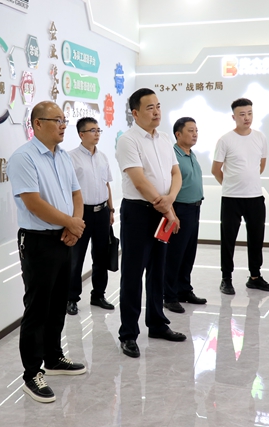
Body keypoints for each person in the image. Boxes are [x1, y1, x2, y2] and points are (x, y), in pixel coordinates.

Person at [6, 101, 87, 403]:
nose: (63, 125)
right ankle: (32, 374)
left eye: (64, 120)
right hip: (38, 241)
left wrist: (74, 225)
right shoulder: (23, 158)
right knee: (37, 308)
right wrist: (71, 223)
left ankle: (53, 357)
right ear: (37, 124)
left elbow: (76, 193)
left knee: (58, 303)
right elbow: (33, 203)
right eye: (57, 120)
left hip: (64, 238)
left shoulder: (63, 156)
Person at [115, 88, 187, 359]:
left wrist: (170, 201)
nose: (157, 112)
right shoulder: (128, 140)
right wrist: (167, 208)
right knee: (133, 275)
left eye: (158, 106)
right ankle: (128, 334)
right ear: (135, 113)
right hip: (138, 213)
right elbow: (139, 181)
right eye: (150, 108)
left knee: (158, 270)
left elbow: (175, 173)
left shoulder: (165, 138)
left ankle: (157, 324)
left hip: (163, 210)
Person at [211, 98, 269, 295]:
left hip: (255, 197)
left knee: (256, 238)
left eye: (249, 113)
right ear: (234, 117)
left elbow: (261, 166)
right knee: (228, 240)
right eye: (242, 114)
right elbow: (215, 170)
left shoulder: (260, 138)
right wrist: (230, 185)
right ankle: (226, 279)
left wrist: (248, 182)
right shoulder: (225, 140)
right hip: (231, 199)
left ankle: (255, 277)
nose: (247, 118)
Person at [67, 117, 115, 315]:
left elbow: (106, 184)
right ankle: (71, 298)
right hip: (81, 214)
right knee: (76, 258)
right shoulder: (71, 158)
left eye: (98, 130)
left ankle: (98, 295)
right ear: (81, 134)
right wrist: (72, 218)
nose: (97, 134)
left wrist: (111, 210)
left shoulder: (102, 157)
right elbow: (67, 190)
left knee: (101, 256)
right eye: (92, 130)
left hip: (102, 212)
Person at [163, 117, 207, 314]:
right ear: (178, 134)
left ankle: (184, 290)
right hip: (179, 209)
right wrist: (172, 213)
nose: (195, 134)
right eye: (190, 131)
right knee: (174, 255)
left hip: (194, 209)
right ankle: (169, 296)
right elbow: (167, 187)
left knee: (188, 254)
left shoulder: (191, 154)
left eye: (196, 130)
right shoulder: (172, 156)